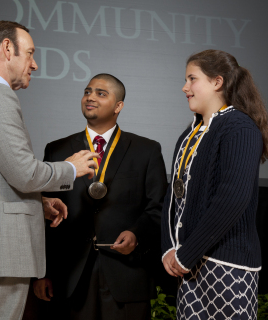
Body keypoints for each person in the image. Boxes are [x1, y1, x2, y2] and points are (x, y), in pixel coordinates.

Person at [0, 21, 98, 320]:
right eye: (29, 53)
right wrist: (71, 167)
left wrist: (37, 203)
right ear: (6, 48)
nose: (35, 64)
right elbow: (25, 173)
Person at [32, 73, 168, 320]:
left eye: (100, 93)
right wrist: (43, 273)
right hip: (70, 275)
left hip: (127, 273)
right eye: (87, 92)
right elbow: (45, 216)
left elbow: (158, 208)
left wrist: (137, 234)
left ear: (119, 106)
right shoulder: (57, 149)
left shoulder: (147, 150)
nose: (90, 97)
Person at [161, 49, 268, 320]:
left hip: (227, 264)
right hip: (189, 265)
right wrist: (170, 248)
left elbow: (232, 199)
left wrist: (185, 254)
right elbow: (173, 195)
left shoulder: (240, 127)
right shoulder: (188, 135)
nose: (184, 87)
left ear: (217, 82)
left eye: (192, 79)